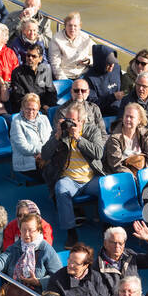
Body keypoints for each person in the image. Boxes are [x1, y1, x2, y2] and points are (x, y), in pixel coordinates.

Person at [40, 101, 105, 243]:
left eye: (73, 120)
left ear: (81, 120)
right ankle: (71, 232)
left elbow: (98, 153)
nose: (69, 123)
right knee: (61, 189)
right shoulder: (61, 132)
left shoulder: (92, 130)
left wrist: (79, 139)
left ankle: (106, 223)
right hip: (69, 179)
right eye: (67, 119)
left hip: (90, 178)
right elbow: (44, 154)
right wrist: (57, 136)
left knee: (107, 188)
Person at [0, 211, 62, 294]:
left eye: (31, 231)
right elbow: (2, 260)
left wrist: (38, 282)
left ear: (39, 230)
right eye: (23, 230)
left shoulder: (46, 249)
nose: (26, 234)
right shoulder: (16, 246)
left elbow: (58, 276)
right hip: (14, 294)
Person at [46, 243, 110, 296]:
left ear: (86, 265)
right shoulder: (57, 279)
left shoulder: (96, 277)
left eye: (76, 263)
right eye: (70, 260)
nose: (71, 265)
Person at [94, 222, 148, 296]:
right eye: (113, 242)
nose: (117, 246)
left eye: (120, 243)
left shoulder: (129, 255)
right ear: (105, 243)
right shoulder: (97, 268)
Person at [103, 102, 148, 176]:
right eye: (126, 116)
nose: (128, 119)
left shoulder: (145, 134)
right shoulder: (114, 138)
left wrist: (143, 176)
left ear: (139, 120)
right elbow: (116, 164)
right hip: (122, 176)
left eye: (131, 117)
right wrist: (133, 178)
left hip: (142, 174)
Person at [10, 92, 52, 182]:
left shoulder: (44, 119)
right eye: (27, 109)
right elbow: (23, 148)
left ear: (39, 108)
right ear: (22, 108)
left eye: (34, 109)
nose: (31, 112)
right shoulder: (16, 122)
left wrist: (44, 154)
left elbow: (51, 140)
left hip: (45, 157)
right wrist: (45, 152)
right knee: (54, 170)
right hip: (28, 162)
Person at [118, 69, 148, 139]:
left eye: (144, 86)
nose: (140, 88)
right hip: (136, 137)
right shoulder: (127, 100)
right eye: (138, 85)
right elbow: (121, 121)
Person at [8, 44, 57, 111]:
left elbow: (51, 93)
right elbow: (19, 97)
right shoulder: (17, 73)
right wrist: (42, 106)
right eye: (28, 55)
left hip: (46, 107)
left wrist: (50, 107)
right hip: (27, 109)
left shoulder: (45, 70)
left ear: (40, 58)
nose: (30, 58)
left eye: (34, 56)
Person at [48, 11, 93, 80]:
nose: (72, 28)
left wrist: (89, 61)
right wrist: (66, 82)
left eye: (75, 26)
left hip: (84, 74)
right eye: (70, 25)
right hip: (66, 76)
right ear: (65, 26)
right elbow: (55, 65)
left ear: (80, 27)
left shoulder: (85, 37)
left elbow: (96, 55)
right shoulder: (56, 40)